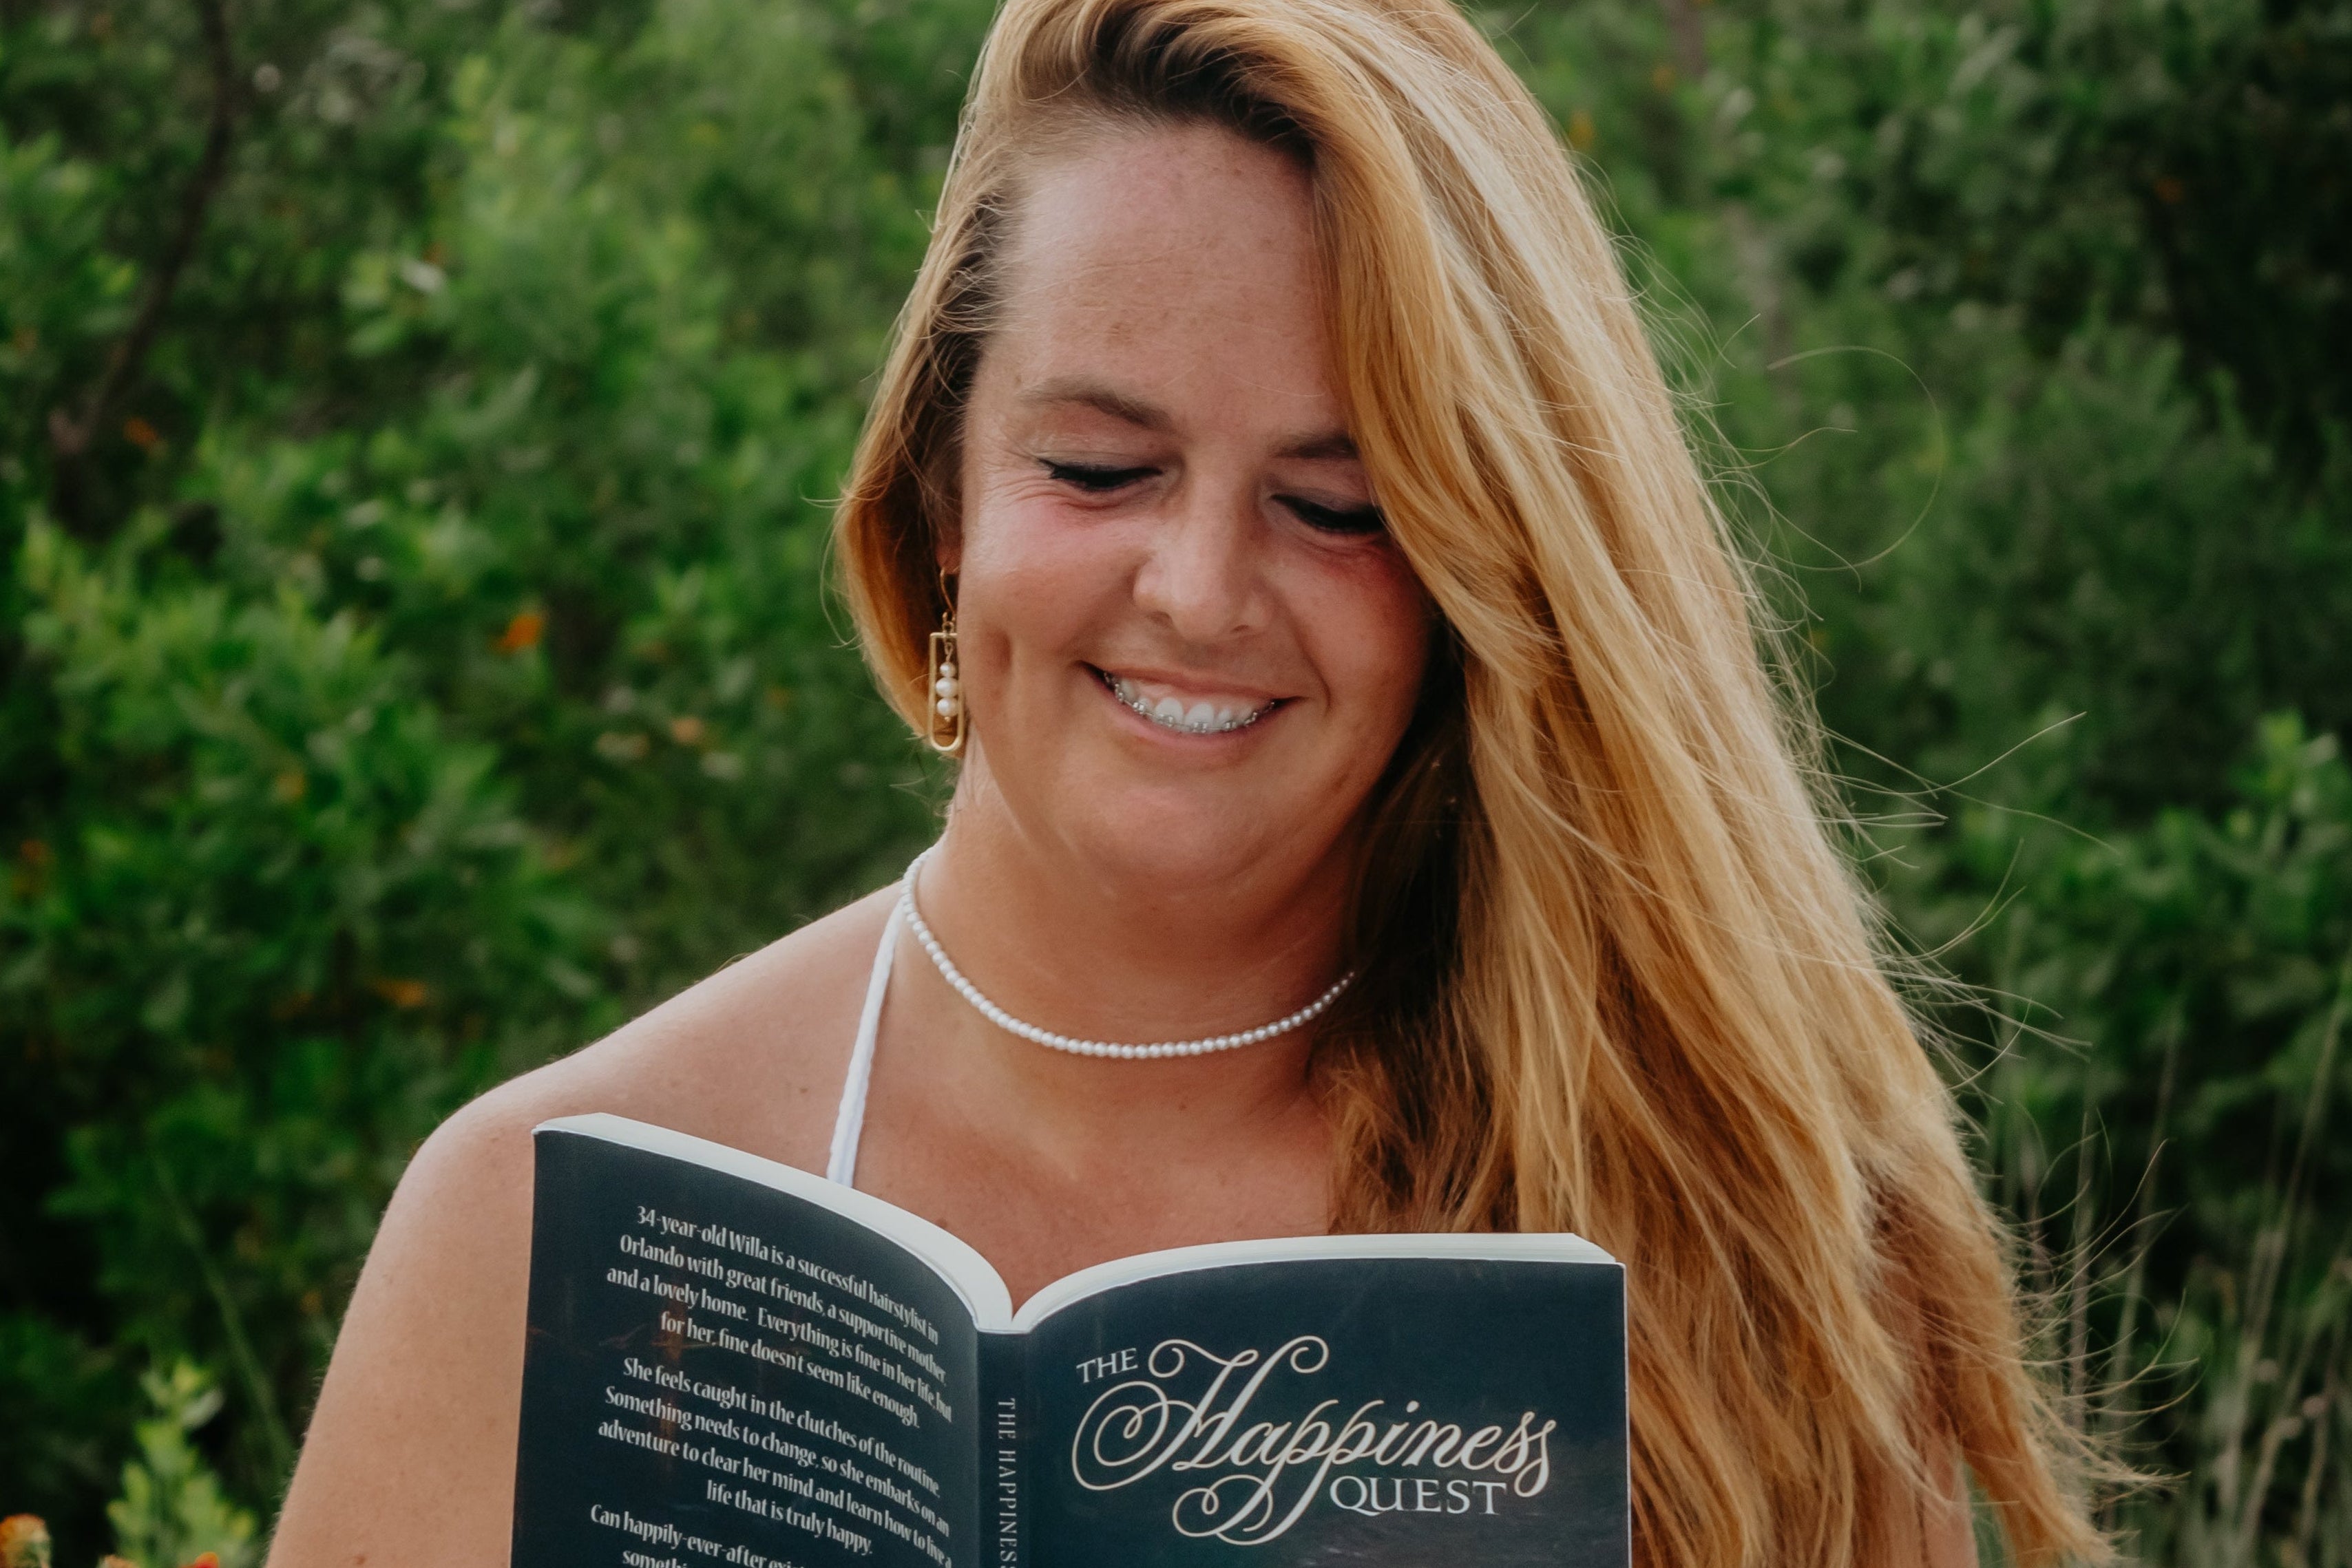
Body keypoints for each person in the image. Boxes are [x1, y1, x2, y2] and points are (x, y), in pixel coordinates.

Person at [267, 0, 2107, 1562]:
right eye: (1099, 470)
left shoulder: (1740, 1247)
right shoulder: (532, 1230)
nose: (1202, 592)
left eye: (1336, 506)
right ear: (939, 496)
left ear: (1476, 583)